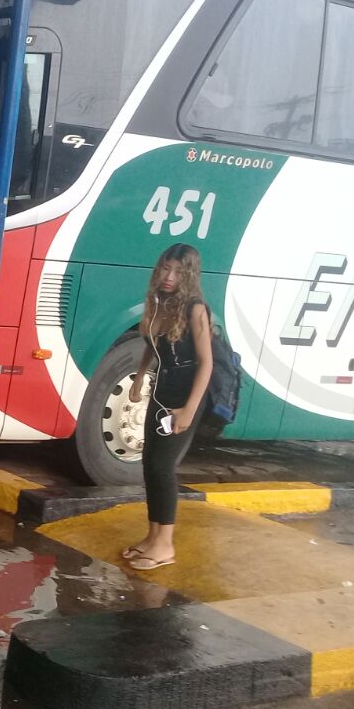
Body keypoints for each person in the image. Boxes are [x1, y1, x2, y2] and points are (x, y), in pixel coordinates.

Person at [122, 243, 214, 571]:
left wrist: (189, 409)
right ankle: (152, 537)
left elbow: (206, 364)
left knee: (163, 467)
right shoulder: (160, 303)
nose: (169, 276)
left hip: (184, 394)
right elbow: (153, 344)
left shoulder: (195, 309)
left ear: (189, 275)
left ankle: (165, 546)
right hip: (161, 390)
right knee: (150, 464)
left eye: (178, 271)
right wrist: (139, 377)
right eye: (165, 268)